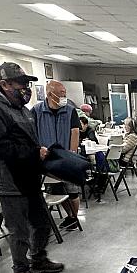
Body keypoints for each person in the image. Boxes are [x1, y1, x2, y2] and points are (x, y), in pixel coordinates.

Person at [0, 62, 63, 273]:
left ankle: (38, 259)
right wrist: (34, 152)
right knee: (19, 229)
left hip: (28, 176)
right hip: (9, 179)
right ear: (4, 84)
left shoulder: (20, 109)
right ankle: (21, 270)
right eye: (21, 84)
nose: (25, 88)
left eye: (27, 83)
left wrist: (38, 154)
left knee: (42, 222)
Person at [32, 80, 81, 230]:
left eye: (65, 94)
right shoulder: (36, 111)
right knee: (56, 189)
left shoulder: (70, 110)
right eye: (61, 94)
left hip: (66, 156)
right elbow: (31, 133)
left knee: (71, 190)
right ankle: (68, 216)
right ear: (49, 94)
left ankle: (73, 217)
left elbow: (75, 132)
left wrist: (72, 153)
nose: (64, 97)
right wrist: (38, 149)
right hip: (46, 158)